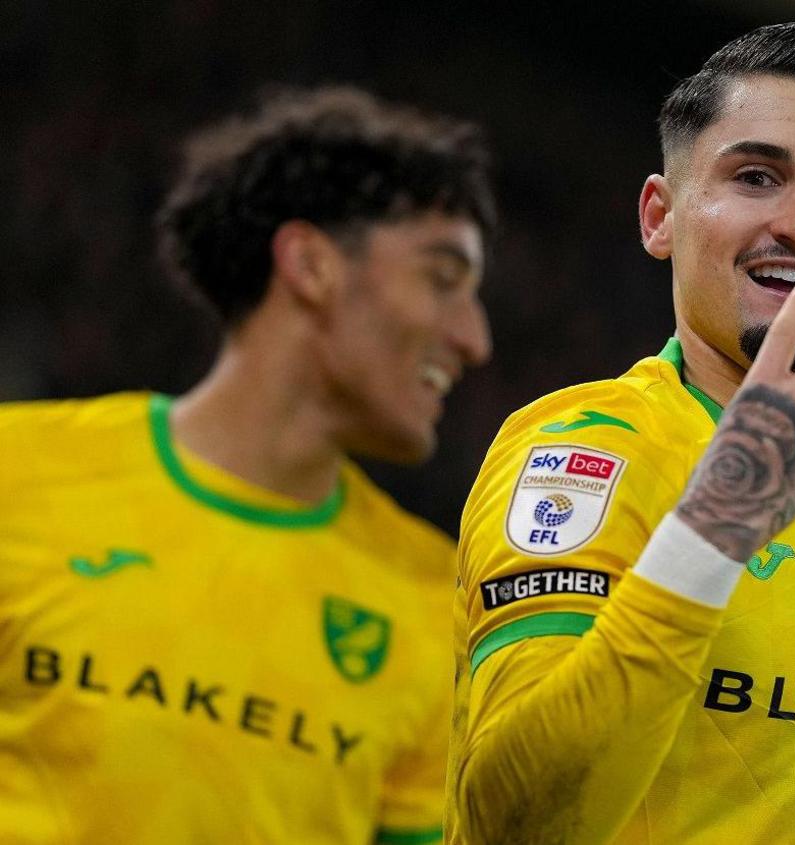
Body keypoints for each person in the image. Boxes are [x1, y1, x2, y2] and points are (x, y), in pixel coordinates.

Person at [447, 22, 795, 844]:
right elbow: (514, 820)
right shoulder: (585, 450)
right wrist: (715, 524)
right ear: (660, 216)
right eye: (756, 176)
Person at [0, 86, 495, 843]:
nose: (473, 338)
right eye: (443, 278)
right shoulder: (21, 474)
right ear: (312, 265)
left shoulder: (438, 603)